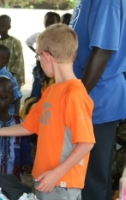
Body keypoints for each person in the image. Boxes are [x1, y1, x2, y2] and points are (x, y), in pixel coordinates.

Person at [0, 24, 95, 200]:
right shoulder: (51, 90)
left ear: (47, 56)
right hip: (45, 178)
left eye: (38, 56)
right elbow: (29, 126)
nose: (39, 61)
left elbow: (86, 143)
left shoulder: (75, 94)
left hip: (62, 183)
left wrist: (56, 174)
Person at [69, 1, 126, 199]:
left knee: (91, 178)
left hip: (97, 100)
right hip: (87, 97)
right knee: (82, 172)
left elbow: (103, 50)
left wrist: (78, 97)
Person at [25, 11, 60, 98]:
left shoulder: (59, 38)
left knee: (48, 93)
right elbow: (28, 42)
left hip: (52, 70)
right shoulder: (39, 35)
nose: (49, 24)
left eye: (52, 22)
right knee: (36, 92)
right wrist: (37, 53)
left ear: (58, 23)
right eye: (47, 21)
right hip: (39, 69)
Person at [0, 15, 25, 88]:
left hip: (13, 77)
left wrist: (11, 75)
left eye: (2, 25)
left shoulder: (15, 42)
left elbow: (19, 60)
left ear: (9, 27)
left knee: (12, 96)